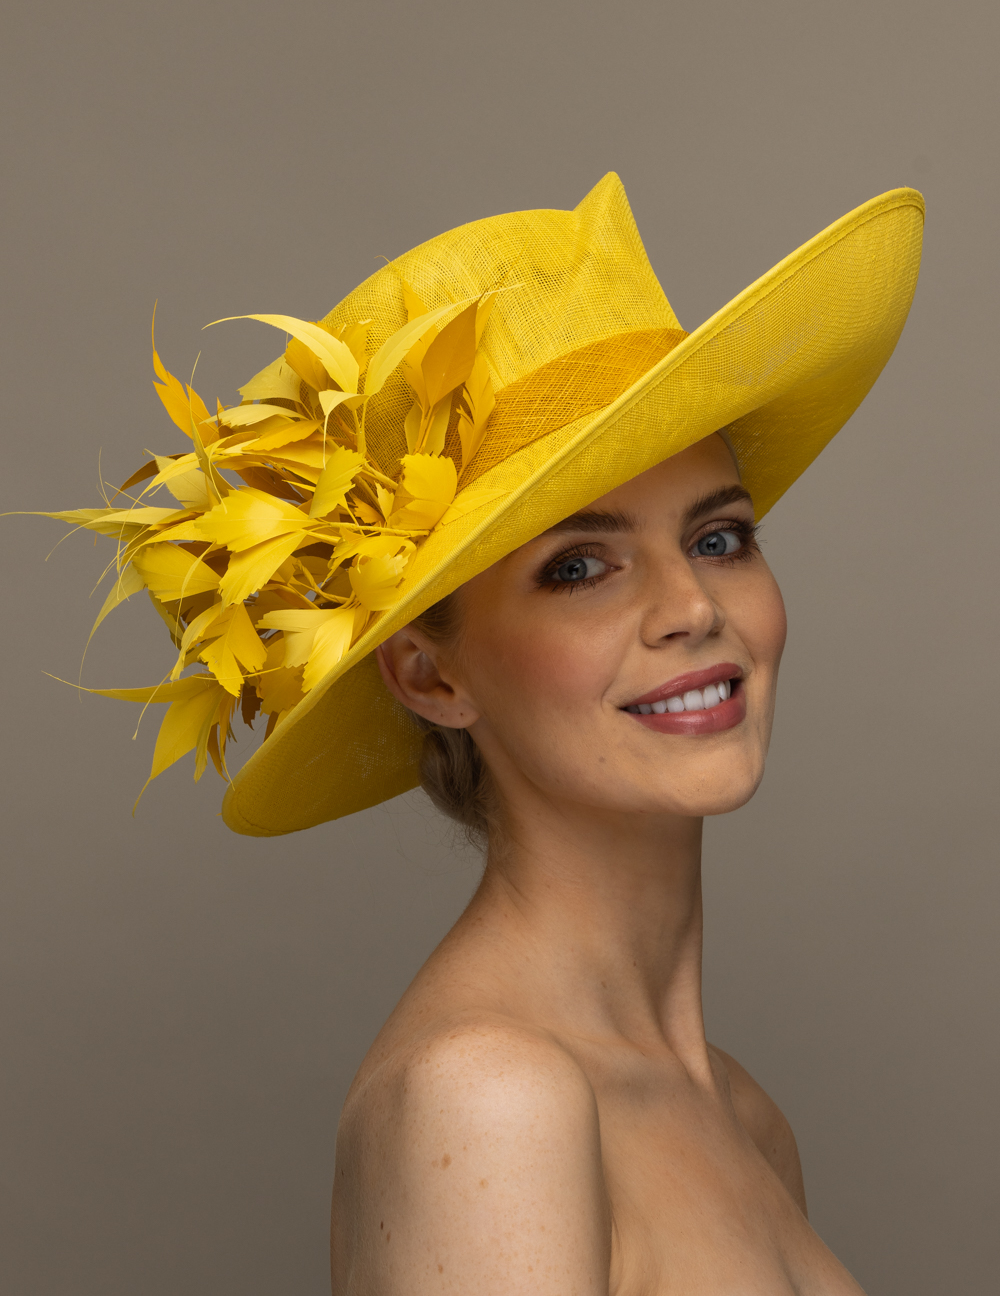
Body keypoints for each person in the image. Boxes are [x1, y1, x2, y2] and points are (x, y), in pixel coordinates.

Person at [39, 173, 923, 1293]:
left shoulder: (747, 1123)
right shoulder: (493, 1101)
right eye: (580, 567)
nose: (692, 607)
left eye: (719, 539)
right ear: (429, 673)